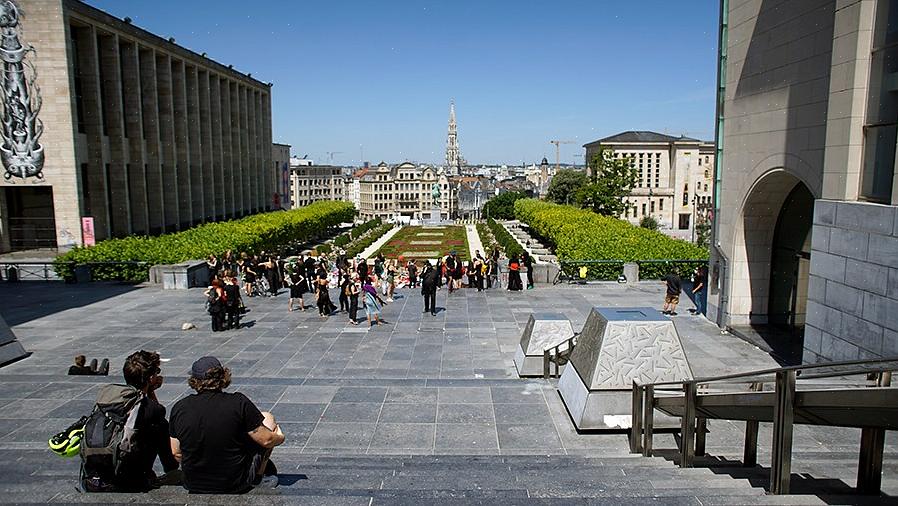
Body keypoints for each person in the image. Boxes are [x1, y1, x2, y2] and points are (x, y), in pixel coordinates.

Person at [169, 357, 284, 494]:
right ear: (223, 376)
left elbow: (176, 452)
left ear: (194, 380)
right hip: (235, 483)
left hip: (193, 483)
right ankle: (258, 477)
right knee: (268, 419)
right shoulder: (238, 403)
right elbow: (267, 440)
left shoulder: (180, 407)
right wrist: (279, 436)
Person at [82, 350, 179, 492]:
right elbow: (169, 464)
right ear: (151, 378)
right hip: (128, 482)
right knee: (161, 426)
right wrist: (151, 391)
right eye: (157, 372)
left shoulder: (108, 400)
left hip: (92, 480)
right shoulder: (152, 410)